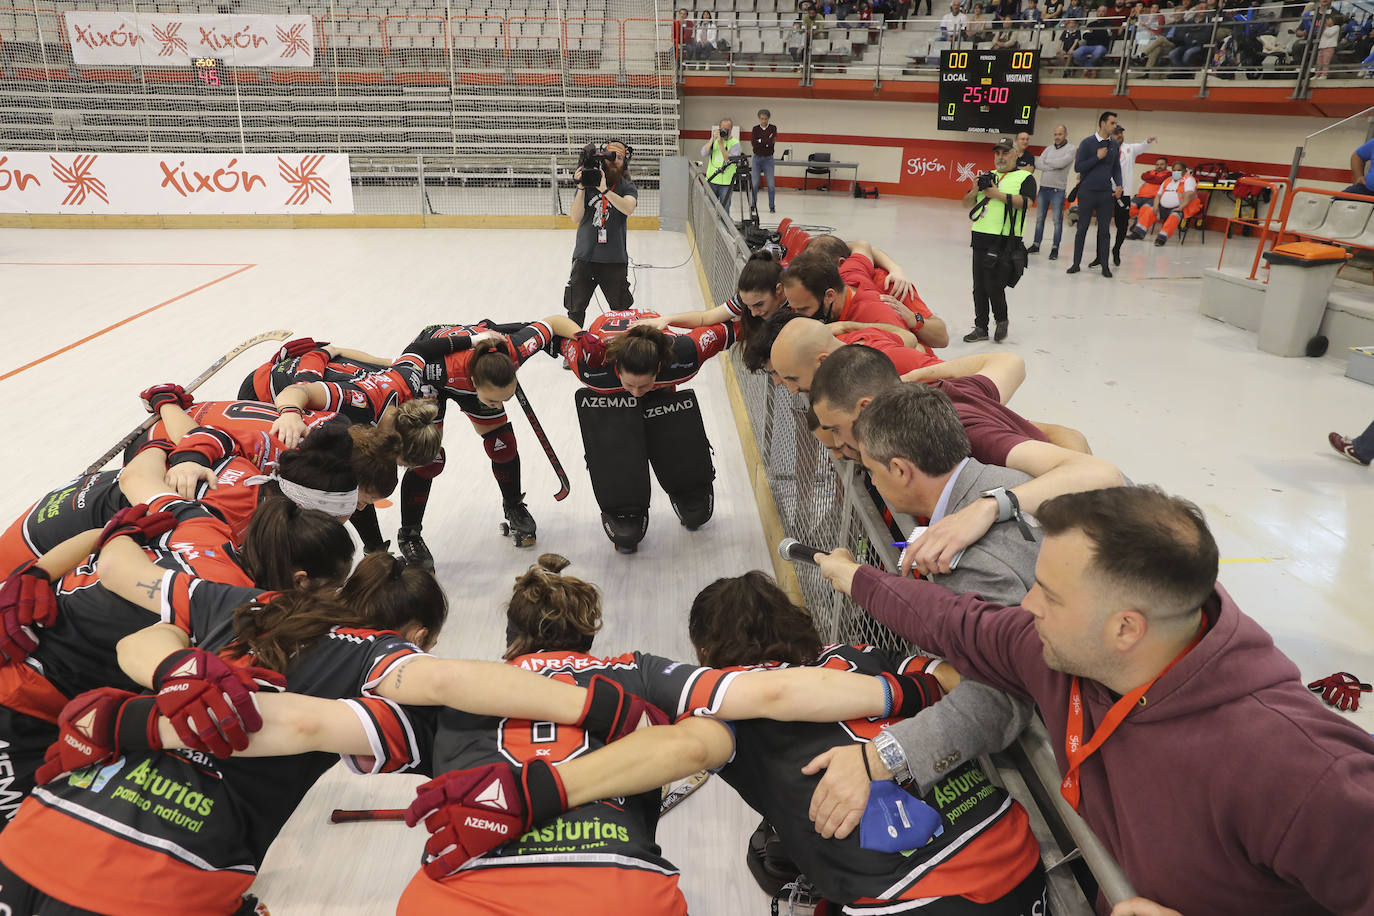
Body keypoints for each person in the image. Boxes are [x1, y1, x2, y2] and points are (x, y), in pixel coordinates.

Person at [815, 485, 1374, 913]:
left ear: (1125, 628)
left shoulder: (1301, 772)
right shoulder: (1060, 651)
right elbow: (956, 621)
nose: (1027, 605)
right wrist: (854, 576)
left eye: (1050, 595)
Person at [406, 562, 1048, 913]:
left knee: (774, 858)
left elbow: (723, 727)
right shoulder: (864, 656)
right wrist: (906, 695)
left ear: (710, 654)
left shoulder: (726, 709)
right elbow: (959, 675)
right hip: (1015, 853)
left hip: (912, 900)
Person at [809, 345, 1121, 574]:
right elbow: (1010, 362)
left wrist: (988, 508)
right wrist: (922, 375)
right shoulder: (942, 394)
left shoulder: (962, 430)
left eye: (836, 429)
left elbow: (1102, 474)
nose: (837, 444)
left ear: (865, 408)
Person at [557, 312, 737, 551]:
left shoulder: (686, 353)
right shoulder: (590, 364)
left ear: (659, 368)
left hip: (652, 376)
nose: (636, 392)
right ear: (617, 369)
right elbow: (553, 332)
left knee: (695, 506)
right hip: (611, 381)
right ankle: (623, 502)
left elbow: (738, 325)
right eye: (630, 384)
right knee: (616, 444)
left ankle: (685, 481)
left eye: (643, 385)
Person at [852, 383, 1043, 603]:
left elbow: (1001, 626)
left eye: (872, 471)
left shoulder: (959, 562)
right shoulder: (1018, 480)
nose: (873, 481)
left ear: (900, 470)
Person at [961, 138, 1036, 343]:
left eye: (1005, 153)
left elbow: (1026, 203)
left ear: (1015, 155)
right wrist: (975, 189)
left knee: (994, 285)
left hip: (1005, 240)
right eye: (997, 153)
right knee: (979, 286)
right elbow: (965, 204)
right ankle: (981, 327)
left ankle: (1001, 320)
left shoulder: (1025, 177)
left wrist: (996, 194)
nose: (1000, 157)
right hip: (980, 237)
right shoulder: (987, 177)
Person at [767, 315, 941, 394]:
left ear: (822, 361)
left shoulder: (883, 362)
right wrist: (848, 325)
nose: (792, 390)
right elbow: (909, 338)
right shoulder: (851, 340)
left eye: (793, 379)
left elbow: (956, 377)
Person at [565, 140, 638, 328]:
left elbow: (628, 208)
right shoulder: (588, 183)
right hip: (584, 257)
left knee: (621, 311)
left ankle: (621, 345)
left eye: (620, 158)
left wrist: (604, 190)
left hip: (614, 260)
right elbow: (575, 217)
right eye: (612, 156)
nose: (615, 161)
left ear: (624, 162)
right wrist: (581, 188)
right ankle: (573, 344)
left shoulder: (626, 186)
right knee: (575, 309)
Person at [1068, 110, 1122, 278]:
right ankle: (1076, 264)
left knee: (1104, 231)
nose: (1115, 126)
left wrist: (1119, 184)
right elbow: (1078, 167)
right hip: (1087, 192)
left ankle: (1105, 265)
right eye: (1112, 123)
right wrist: (1097, 157)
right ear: (1103, 123)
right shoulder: (1087, 143)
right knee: (1082, 228)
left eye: (1115, 123)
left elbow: (1116, 167)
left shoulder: (1114, 144)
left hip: (1106, 194)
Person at [1105, 124, 1156, 266]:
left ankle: (1116, 250)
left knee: (1122, 225)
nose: (1119, 135)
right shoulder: (1105, 149)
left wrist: (1148, 141)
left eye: (1121, 133)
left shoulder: (1130, 148)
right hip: (1107, 192)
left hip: (1124, 193)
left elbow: (1142, 146)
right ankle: (1100, 255)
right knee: (1103, 225)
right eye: (1116, 133)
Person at [1028, 124, 1074, 259]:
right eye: (1055, 134)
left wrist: (1047, 163)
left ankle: (1055, 248)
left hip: (1058, 191)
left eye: (1060, 134)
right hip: (1043, 189)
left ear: (1066, 134)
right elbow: (1038, 164)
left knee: (1057, 221)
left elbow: (1062, 163)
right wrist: (1053, 164)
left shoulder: (1071, 149)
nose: (1057, 137)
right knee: (1039, 219)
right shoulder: (1048, 149)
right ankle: (1036, 244)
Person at [1129, 160, 1198, 246]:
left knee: (1174, 216)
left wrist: (1180, 207)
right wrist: (1155, 206)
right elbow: (1158, 195)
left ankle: (1161, 238)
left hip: (1181, 207)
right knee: (1149, 210)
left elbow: (1189, 194)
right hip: (1162, 207)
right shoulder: (1168, 180)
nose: (1176, 172)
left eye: (1179, 170)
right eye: (1174, 170)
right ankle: (1137, 233)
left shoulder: (1189, 179)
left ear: (1184, 171)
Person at [701, 117, 741, 211]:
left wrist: (721, 145)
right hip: (712, 179)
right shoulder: (714, 141)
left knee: (724, 210)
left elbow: (728, 160)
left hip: (726, 183)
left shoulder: (735, 143)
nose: (724, 131)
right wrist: (712, 140)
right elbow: (703, 153)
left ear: (731, 129)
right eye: (722, 129)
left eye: (727, 129)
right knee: (709, 209)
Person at [750, 109, 778, 214]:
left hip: (768, 159)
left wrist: (760, 140)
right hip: (757, 159)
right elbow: (754, 143)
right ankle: (753, 205)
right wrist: (765, 140)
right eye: (762, 119)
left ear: (768, 119)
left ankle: (772, 206)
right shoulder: (755, 129)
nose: (763, 121)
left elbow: (771, 143)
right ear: (759, 118)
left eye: (765, 119)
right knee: (754, 184)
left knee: (771, 185)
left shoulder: (773, 128)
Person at [1071, 6, 1113, 71]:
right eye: (1099, 11)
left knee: (1098, 52)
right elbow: (1085, 36)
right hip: (1088, 46)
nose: (1100, 13)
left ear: (1106, 13)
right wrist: (1100, 32)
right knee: (1076, 53)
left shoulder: (1109, 23)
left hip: (1101, 46)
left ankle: (1088, 67)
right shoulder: (1091, 24)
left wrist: (1093, 32)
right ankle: (1089, 66)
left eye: (1103, 11)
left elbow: (1106, 35)